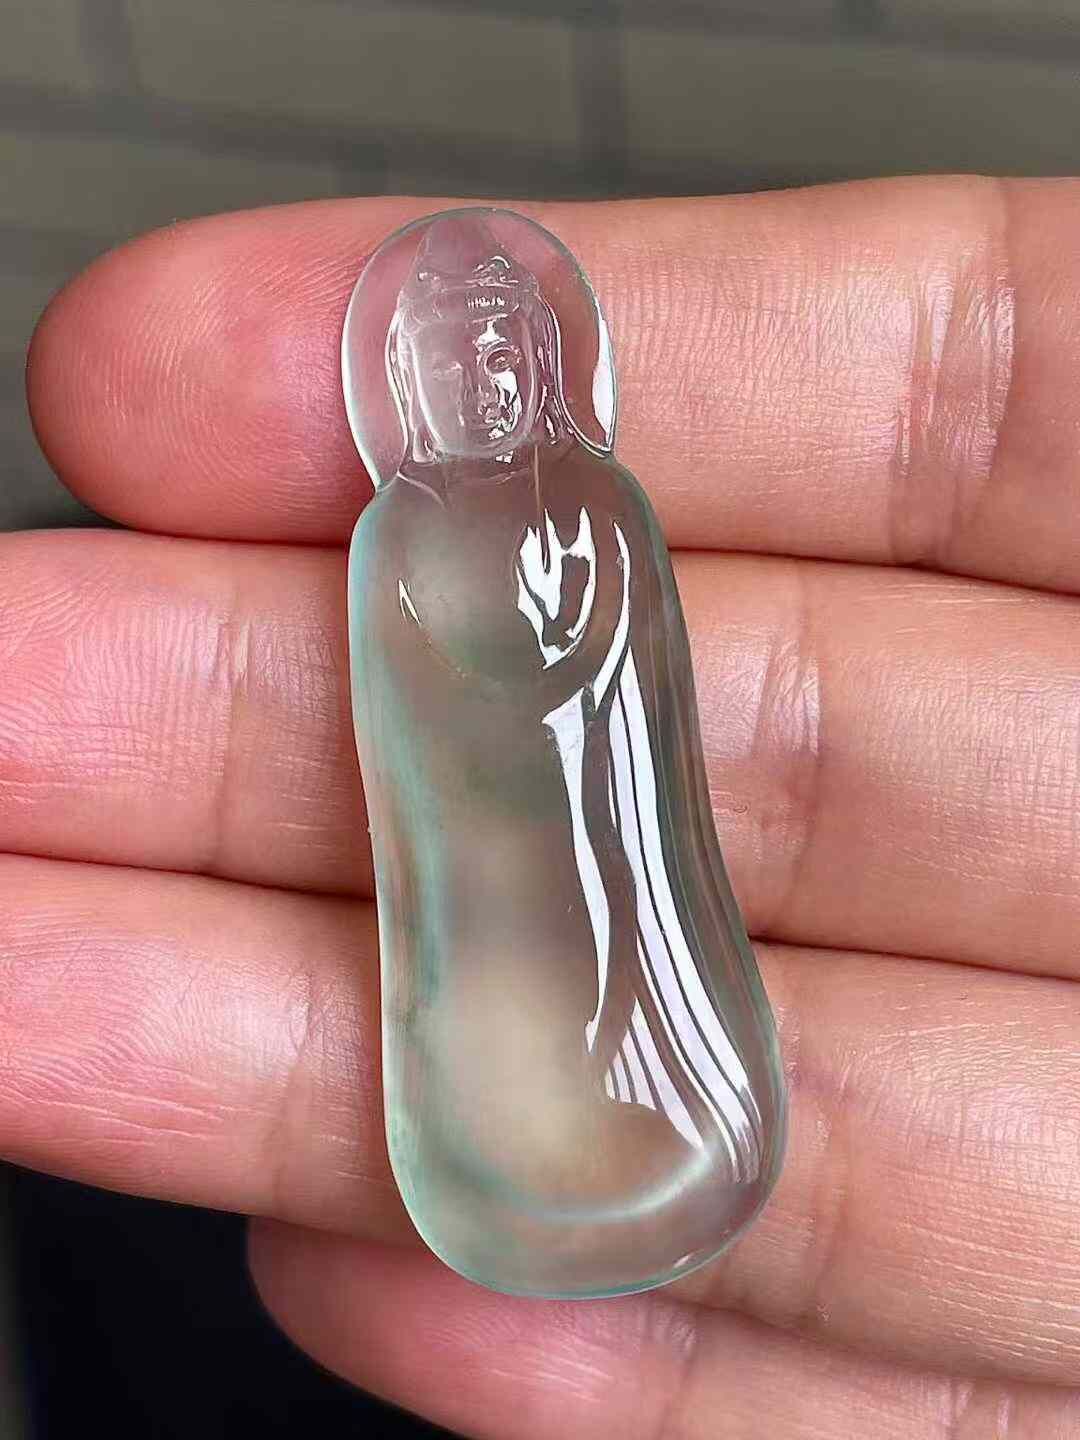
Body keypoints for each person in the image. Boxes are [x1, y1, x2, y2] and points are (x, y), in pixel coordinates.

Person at [11, 176, 1080, 1436]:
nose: (488, 385)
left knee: (644, 969)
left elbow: (624, 671)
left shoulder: (597, 504)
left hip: (614, 819)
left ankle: (666, 1114)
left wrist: (557, 663)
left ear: (544, 366)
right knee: (490, 999)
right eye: (457, 363)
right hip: (481, 849)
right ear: (416, 384)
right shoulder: (400, 533)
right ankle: (514, 1150)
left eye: (506, 356)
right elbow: (420, 700)